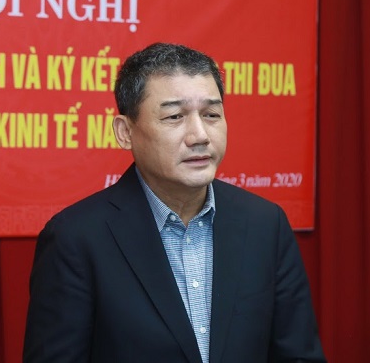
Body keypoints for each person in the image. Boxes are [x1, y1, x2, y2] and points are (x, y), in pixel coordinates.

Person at [23, 43, 326, 362]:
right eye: (174, 116)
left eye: (211, 115)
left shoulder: (265, 224)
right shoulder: (76, 239)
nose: (200, 135)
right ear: (125, 132)